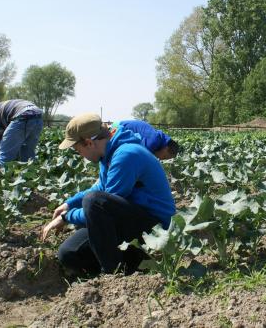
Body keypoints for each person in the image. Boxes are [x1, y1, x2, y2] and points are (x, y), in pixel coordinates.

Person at [40, 113, 176, 276]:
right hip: (130, 220)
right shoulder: (107, 154)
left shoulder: (126, 154)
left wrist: (66, 217)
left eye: (78, 150)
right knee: (69, 253)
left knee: (94, 202)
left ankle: (113, 273)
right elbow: (100, 187)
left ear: (89, 143)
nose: (80, 155)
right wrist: (69, 204)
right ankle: (133, 265)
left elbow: (99, 207)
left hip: (155, 226)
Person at [0, 99, 44, 166]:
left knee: (3, 155)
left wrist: (1, 146)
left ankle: (2, 175)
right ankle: (30, 174)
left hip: (23, 115)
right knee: (27, 154)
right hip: (38, 116)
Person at [112, 120, 179, 160]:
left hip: (120, 126)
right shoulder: (154, 140)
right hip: (117, 128)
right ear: (166, 148)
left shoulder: (161, 139)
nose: (161, 159)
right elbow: (141, 156)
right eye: (164, 157)